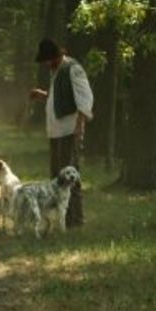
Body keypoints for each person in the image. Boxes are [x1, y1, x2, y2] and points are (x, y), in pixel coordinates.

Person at [29, 38, 93, 227]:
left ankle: (76, 220)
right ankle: (58, 220)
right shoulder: (57, 71)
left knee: (70, 176)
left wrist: (80, 125)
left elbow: (84, 97)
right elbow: (62, 97)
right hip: (56, 131)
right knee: (57, 179)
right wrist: (43, 95)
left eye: (48, 60)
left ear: (56, 56)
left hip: (68, 130)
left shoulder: (73, 68)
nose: (47, 64)